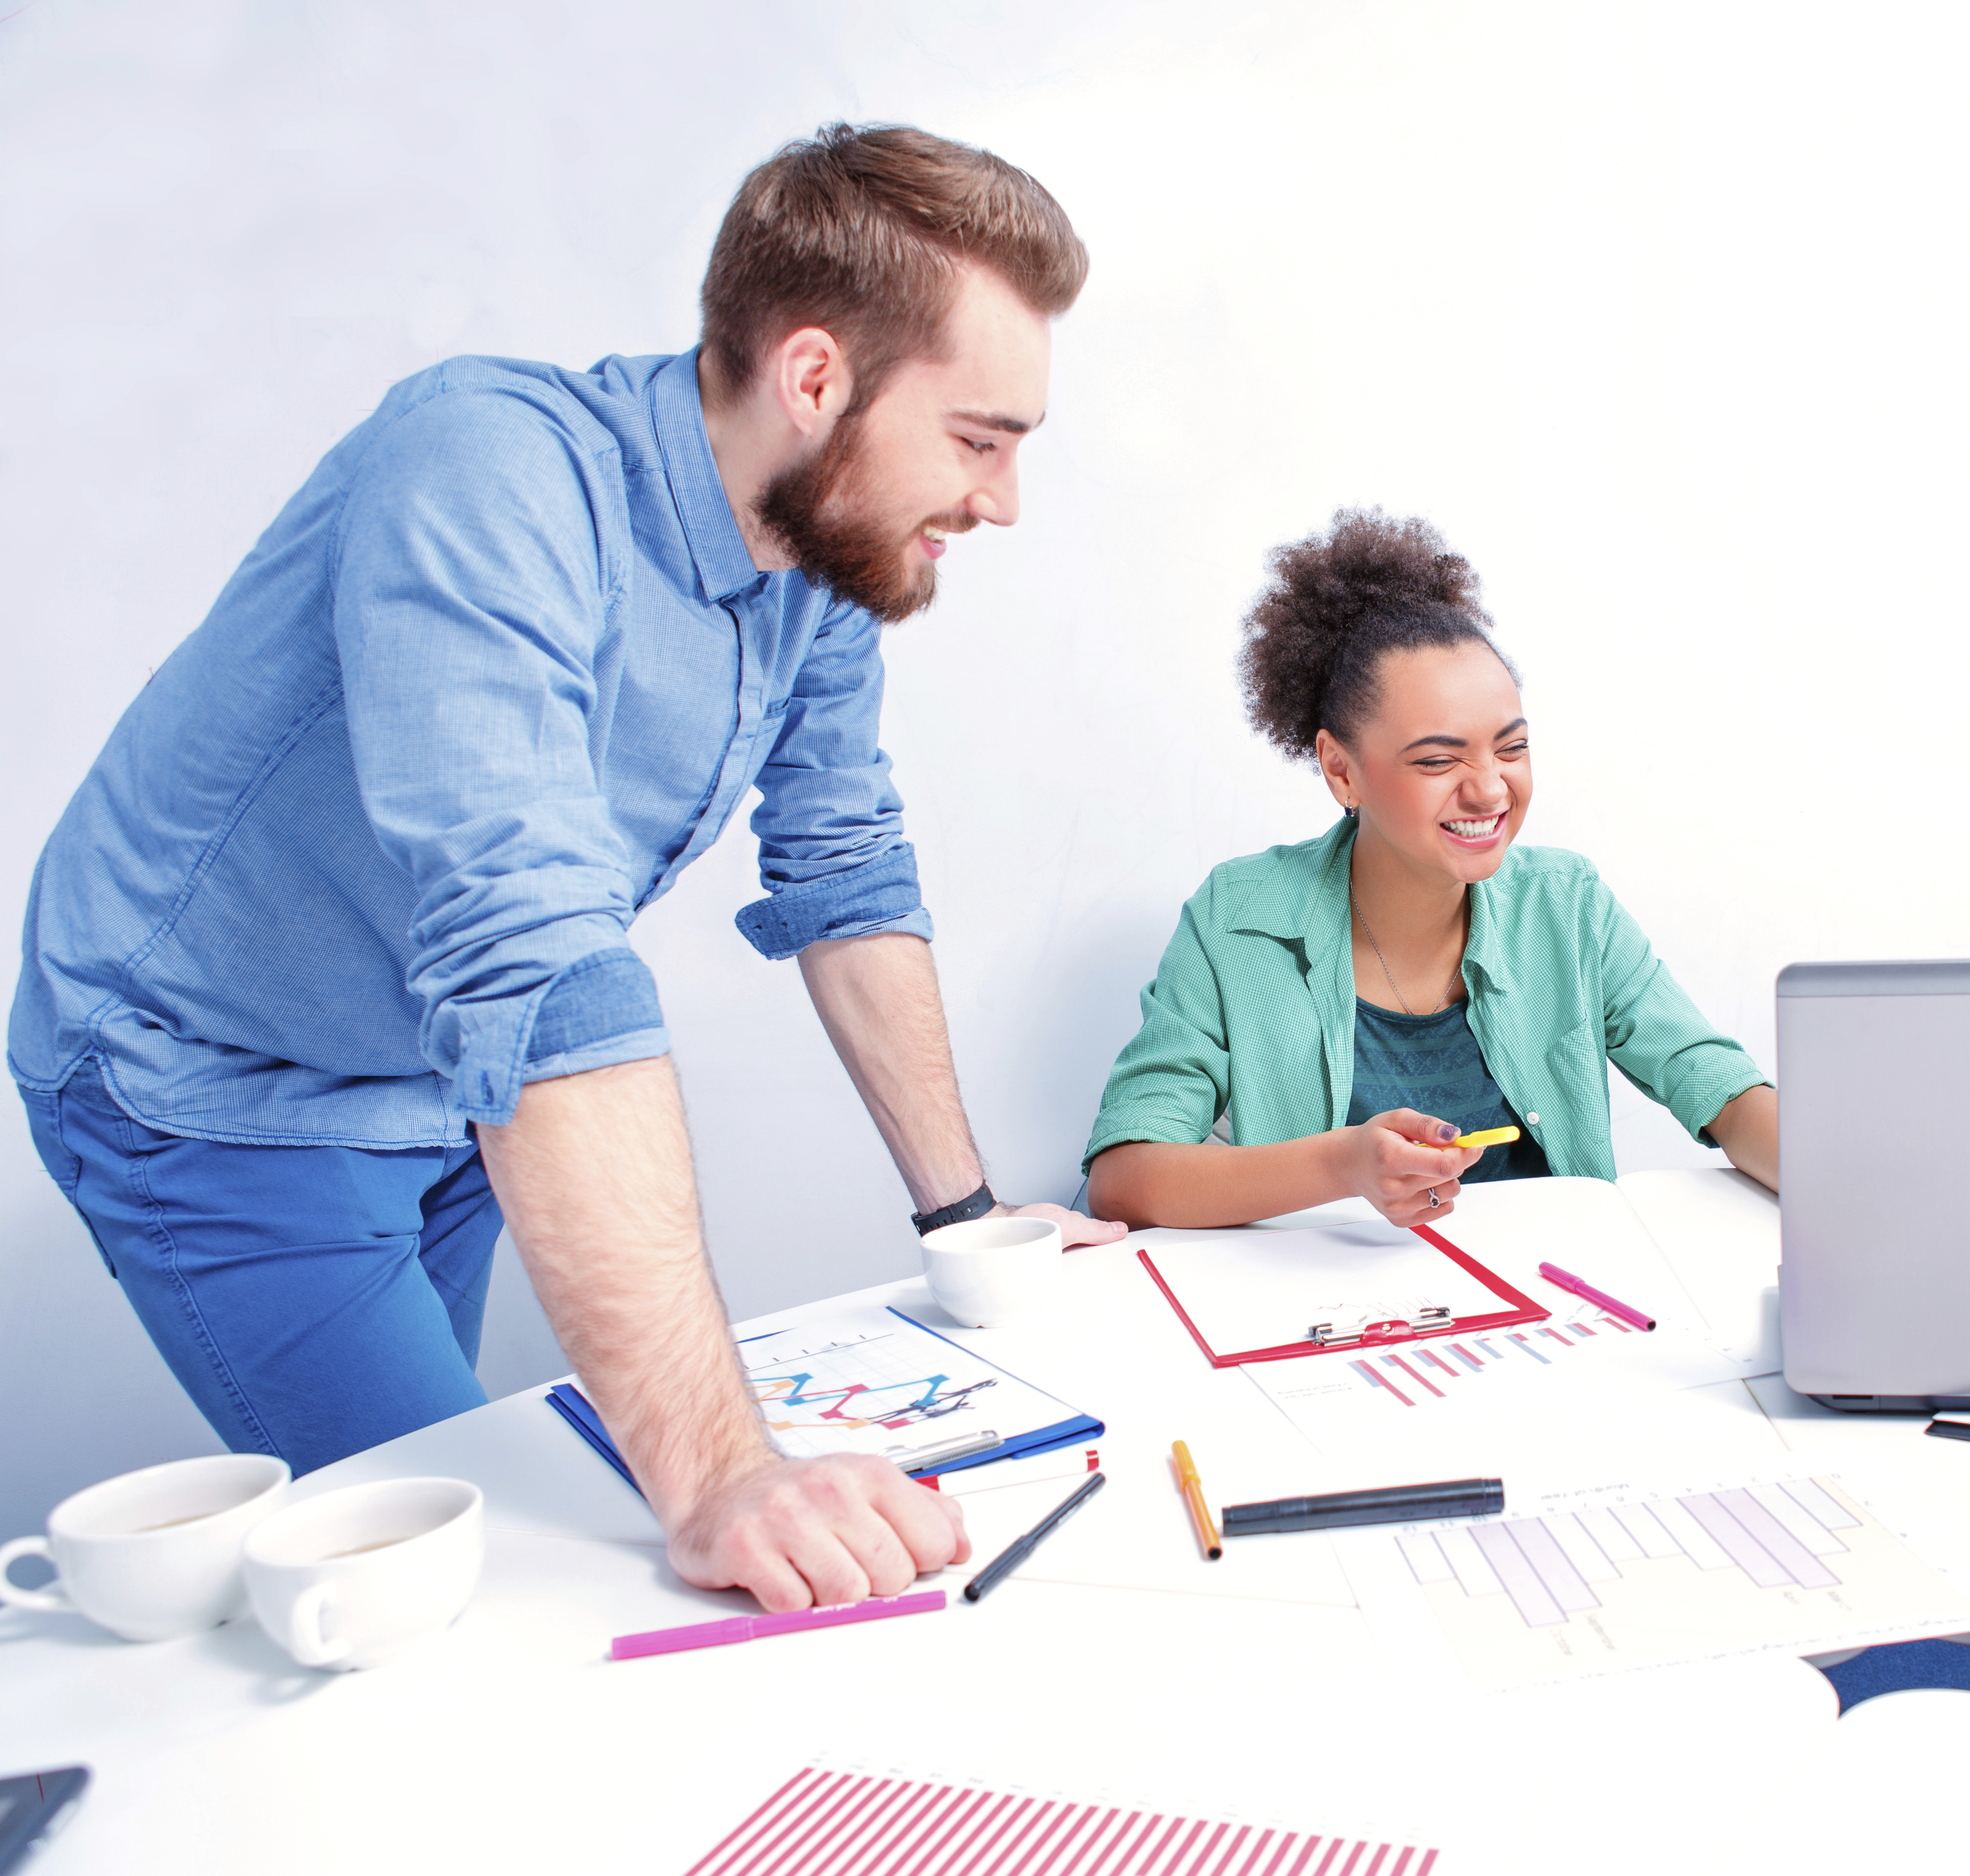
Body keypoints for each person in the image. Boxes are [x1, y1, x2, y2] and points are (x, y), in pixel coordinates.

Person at [11, 125, 1123, 1612]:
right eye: (981, 439)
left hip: (446, 1078)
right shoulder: (487, 467)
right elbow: (525, 944)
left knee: (494, 1507)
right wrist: (724, 1472)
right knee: (471, 1577)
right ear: (814, 379)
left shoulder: (826, 558)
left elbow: (844, 867)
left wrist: (965, 1217)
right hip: (213, 1089)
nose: (1001, 502)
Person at [1083, 510, 1777, 1229]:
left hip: (1561, 1296)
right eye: (1439, 761)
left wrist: (1857, 1186)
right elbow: (1126, 1176)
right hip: (1334, 1312)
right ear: (1341, 770)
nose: (1488, 789)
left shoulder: (1566, 906)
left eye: (1511, 749)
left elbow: (1721, 1091)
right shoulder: (1238, 917)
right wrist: (1343, 1165)